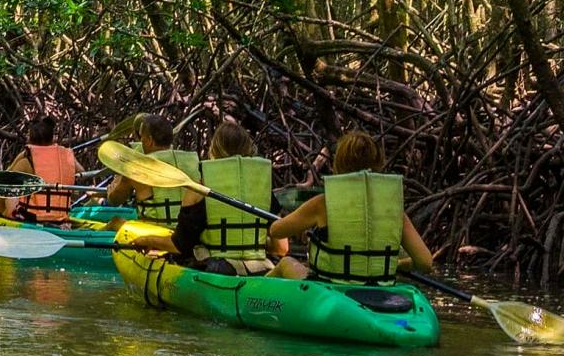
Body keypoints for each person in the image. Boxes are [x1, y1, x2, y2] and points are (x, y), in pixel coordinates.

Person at [268, 130, 437, 282]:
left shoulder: (323, 204)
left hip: (332, 290)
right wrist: (397, 265)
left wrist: (304, 227)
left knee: (287, 263)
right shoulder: (393, 210)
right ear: (377, 163)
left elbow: (276, 231)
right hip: (377, 289)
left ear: (339, 163)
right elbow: (425, 263)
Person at [169, 117, 276, 270]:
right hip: (260, 268)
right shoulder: (263, 190)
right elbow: (282, 248)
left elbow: (181, 245)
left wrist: (146, 240)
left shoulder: (200, 190)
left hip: (216, 269)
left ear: (213, 150)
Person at [103, 110, 209, 222]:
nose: (140, 141)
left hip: (156, 229)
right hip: (186, 230)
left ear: (149, 140)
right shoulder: (192, 161)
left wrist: (111, 191)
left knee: (115, 221)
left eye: (142, 137)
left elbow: (115, 200)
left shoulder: (137, 168)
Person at [0, 117, 81, 222]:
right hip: (60, 217)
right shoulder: (66, 157)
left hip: (32, 217)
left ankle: (11, 216)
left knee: (12, 189)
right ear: (52, 138)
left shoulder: (27, 162)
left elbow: (0, 192)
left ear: (30, 139)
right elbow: (82, 173)